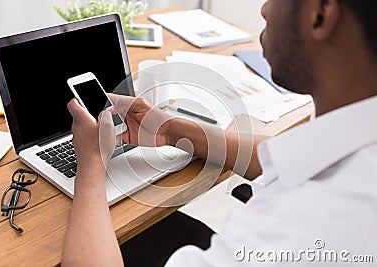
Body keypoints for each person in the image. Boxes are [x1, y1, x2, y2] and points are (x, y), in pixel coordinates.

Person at [61, 0, 377, 266]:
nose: (265, 9)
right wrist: (171, 130)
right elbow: (288, 157)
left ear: (320, 15)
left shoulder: (304, 230)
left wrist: (90, 166)